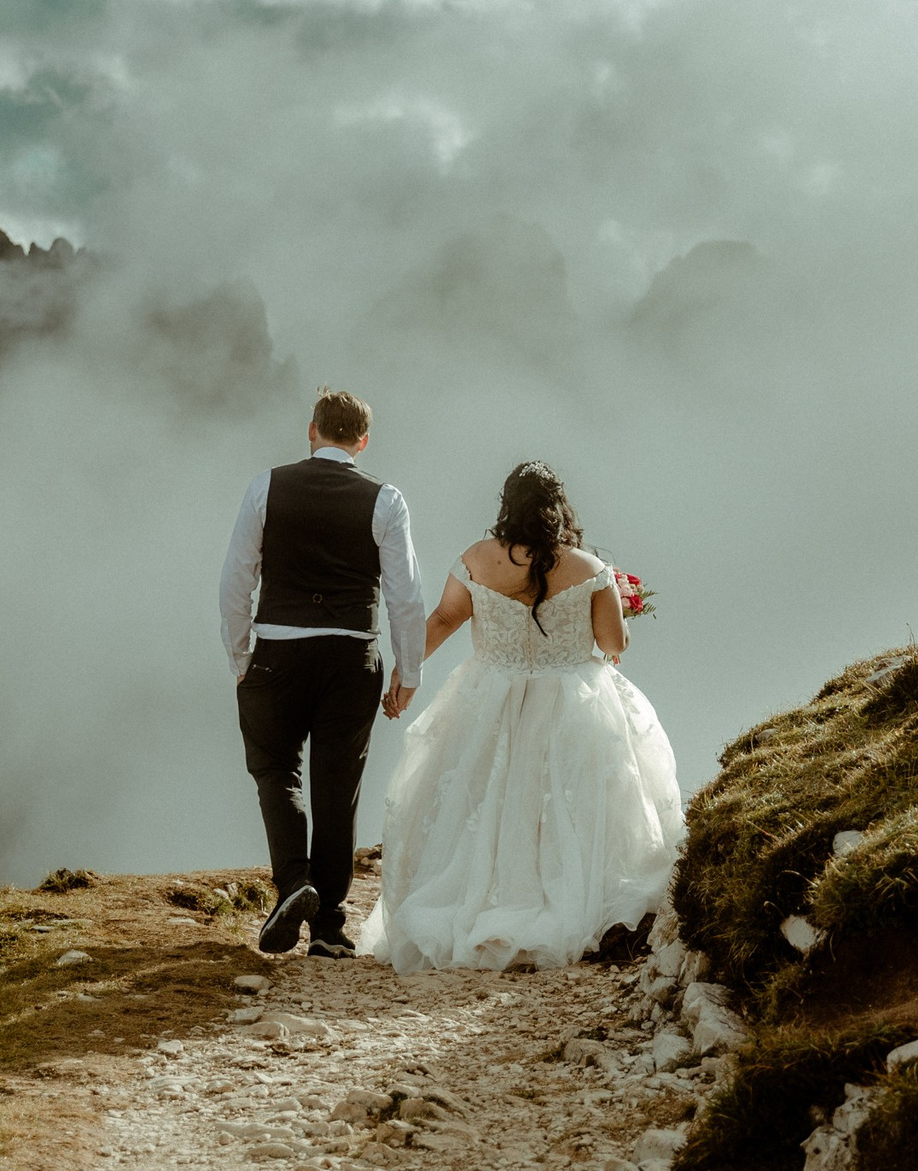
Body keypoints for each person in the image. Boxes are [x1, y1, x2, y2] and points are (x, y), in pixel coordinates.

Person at [363, 460, 683, 973]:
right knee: (565, 804)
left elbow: (444, 618)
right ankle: (570, 906)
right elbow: (611, 643)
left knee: (486, 800)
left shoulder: (476, 559)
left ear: (506, 505)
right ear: (558, 509)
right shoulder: (587, 568)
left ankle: (484, 900)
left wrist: (405, 674)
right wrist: (620, 609)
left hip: (488, 693)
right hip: (574, 700)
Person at [219, 389, 426, 957]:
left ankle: (295, 883)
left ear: (311, 431)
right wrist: (409, 675)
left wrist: (242, 660)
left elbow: (237, 581)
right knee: (338, 785)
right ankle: (329, 926)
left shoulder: (266, 486)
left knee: (275, 771)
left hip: (276, 652)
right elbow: (405, 597)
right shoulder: (386, 500)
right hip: (350, 655)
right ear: (362, 441)